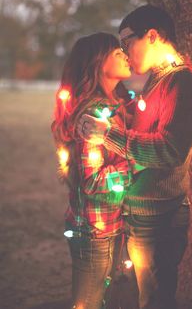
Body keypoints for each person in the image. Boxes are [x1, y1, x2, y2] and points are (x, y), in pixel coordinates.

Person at [77, 5, 192, 309]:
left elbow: (170, 150)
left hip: (159, 215)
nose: (124, 51)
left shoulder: (183, 80)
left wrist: (106, 134)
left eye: (126, 42)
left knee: (155, 300)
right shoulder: (159, 78)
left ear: (152, 36)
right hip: (145, 211)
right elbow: (143, 123)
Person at [51, 32, 133, 309]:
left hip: (105, 226)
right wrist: (138, 165)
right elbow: (93, 181)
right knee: (88, 303)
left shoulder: (116, 105)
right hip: (95, 230)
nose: (125, 55)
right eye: (116, 52)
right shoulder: (97, 113)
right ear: (97, 63)